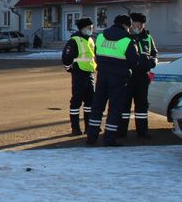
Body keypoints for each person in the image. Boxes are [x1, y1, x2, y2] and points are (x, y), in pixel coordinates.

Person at [86, 14, 139, 147]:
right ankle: (109, 138)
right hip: (119, 78)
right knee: (115, 109)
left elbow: (96, 54)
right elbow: (134, 61)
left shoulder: (101, 36)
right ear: (126, 25)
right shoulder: (127, 40)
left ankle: (91, 136)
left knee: (97, 106)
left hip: (102, 76)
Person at [119, 12, 158, 139]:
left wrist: (153, 62)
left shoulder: (148, 37)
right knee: (124, 105)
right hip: (128, 76)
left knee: (142, 105)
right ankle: (121, 131)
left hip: (142, 77)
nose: (139, 27)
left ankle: (142, 131)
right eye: (136, 24)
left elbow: (154, 53)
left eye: (141, 25)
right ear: (131, 25)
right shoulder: (125, 37)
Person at [61, 17, 96, 136]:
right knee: (76, 101)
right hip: (79, 73)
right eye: (89, 27)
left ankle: (89, 127)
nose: (91, 29)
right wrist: (69, 68)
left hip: (89, 73)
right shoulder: (74, 40)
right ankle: (75, 128)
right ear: (82, 28)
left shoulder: (90, 40)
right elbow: (66, 57)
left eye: (91, 27)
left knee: (90, 101)